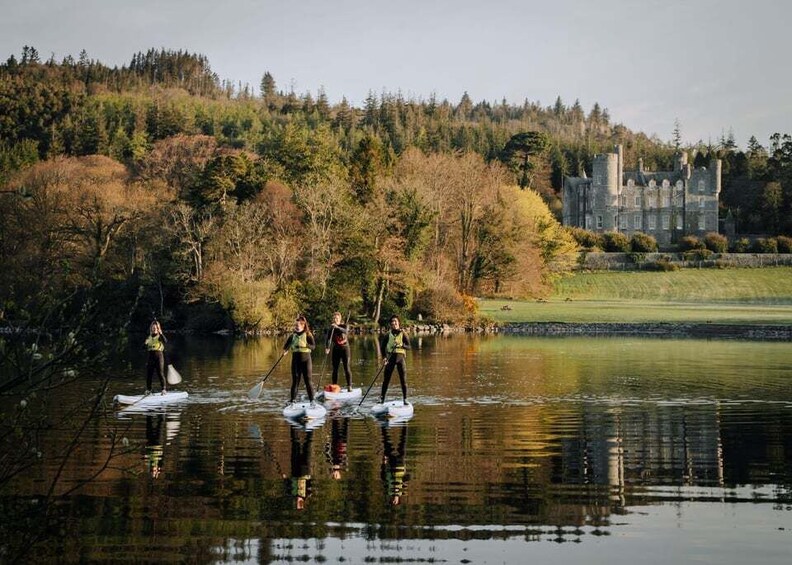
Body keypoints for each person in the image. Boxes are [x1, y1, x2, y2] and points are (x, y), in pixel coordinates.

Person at [282, 315, 316, 406]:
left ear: (303, 326)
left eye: (298, 326)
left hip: (306, 360)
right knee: (295, 381)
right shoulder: (292, 336)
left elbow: (313, 347)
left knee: (308, 381)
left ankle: (312, 401)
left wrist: (306, 345)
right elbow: (286, 346)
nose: (296, 327)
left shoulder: (308, 334)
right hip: (296, 360)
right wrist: (285, 350)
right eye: (295, 326)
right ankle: (292, 400)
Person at [378, 315, 410, 405]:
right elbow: (382, 347)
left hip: (400, 359)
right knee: (386, 380)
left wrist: (401, 345)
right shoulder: (387, 334)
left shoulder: (403, 333)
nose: (393, 323)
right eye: (392, 321)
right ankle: (382, 399)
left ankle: (405, 399)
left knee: (403, 380)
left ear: (398, 323)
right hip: (390, 359)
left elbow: (409, 346)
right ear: (390, 324)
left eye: (395, 321)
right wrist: (384, 358)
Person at [284, 426, 313, 510]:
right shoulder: (307, 494)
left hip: (295, 467)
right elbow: (310, 482)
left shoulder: (291, 494)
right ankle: (310, 426)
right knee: (307, 443)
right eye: (300, 505)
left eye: (297, 505)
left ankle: (293, 425)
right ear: (303, 504)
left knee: (295, 442)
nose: (298, 503)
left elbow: (287, 483)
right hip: (305, 468)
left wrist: (285, 478)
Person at [380, 424, 409, 505]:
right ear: (398, 500)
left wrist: (383, 462)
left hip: (391, 463)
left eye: (392, 501)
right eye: (395, 501)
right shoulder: (403, 491)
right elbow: (407, 477)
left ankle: (383, 425)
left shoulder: (387, 489)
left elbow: (383, 476)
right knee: (403, 441)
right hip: (400, 462)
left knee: (386, 441)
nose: (393, 500)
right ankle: (405, 424)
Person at [324, 311, 352, 391]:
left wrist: (337, 327)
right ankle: (334, 386)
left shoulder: (344, 325)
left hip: (345, 349)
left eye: (337, 318)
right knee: (335, 369)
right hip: (336, 349)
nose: (335, 320)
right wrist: (327, 347)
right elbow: (328, 339)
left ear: (340, 319)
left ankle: (349, 386)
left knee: (346, 367)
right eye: (334, 318)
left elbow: (346, 331)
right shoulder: (331, 328)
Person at [144, 320, 167, 395]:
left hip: (159, 356)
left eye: (155, 328)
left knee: (160, 373)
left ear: (157, 329)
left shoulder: (160, 336)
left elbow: (165, 341)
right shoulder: (149, 337)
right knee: (149, 374)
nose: (154, 329)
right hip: (150, 356)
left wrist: (161, 333)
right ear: (151, 329)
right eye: (153, 328)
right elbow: (143, 347)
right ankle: (148, 390)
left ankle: (163, 389)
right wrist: (145, 343)